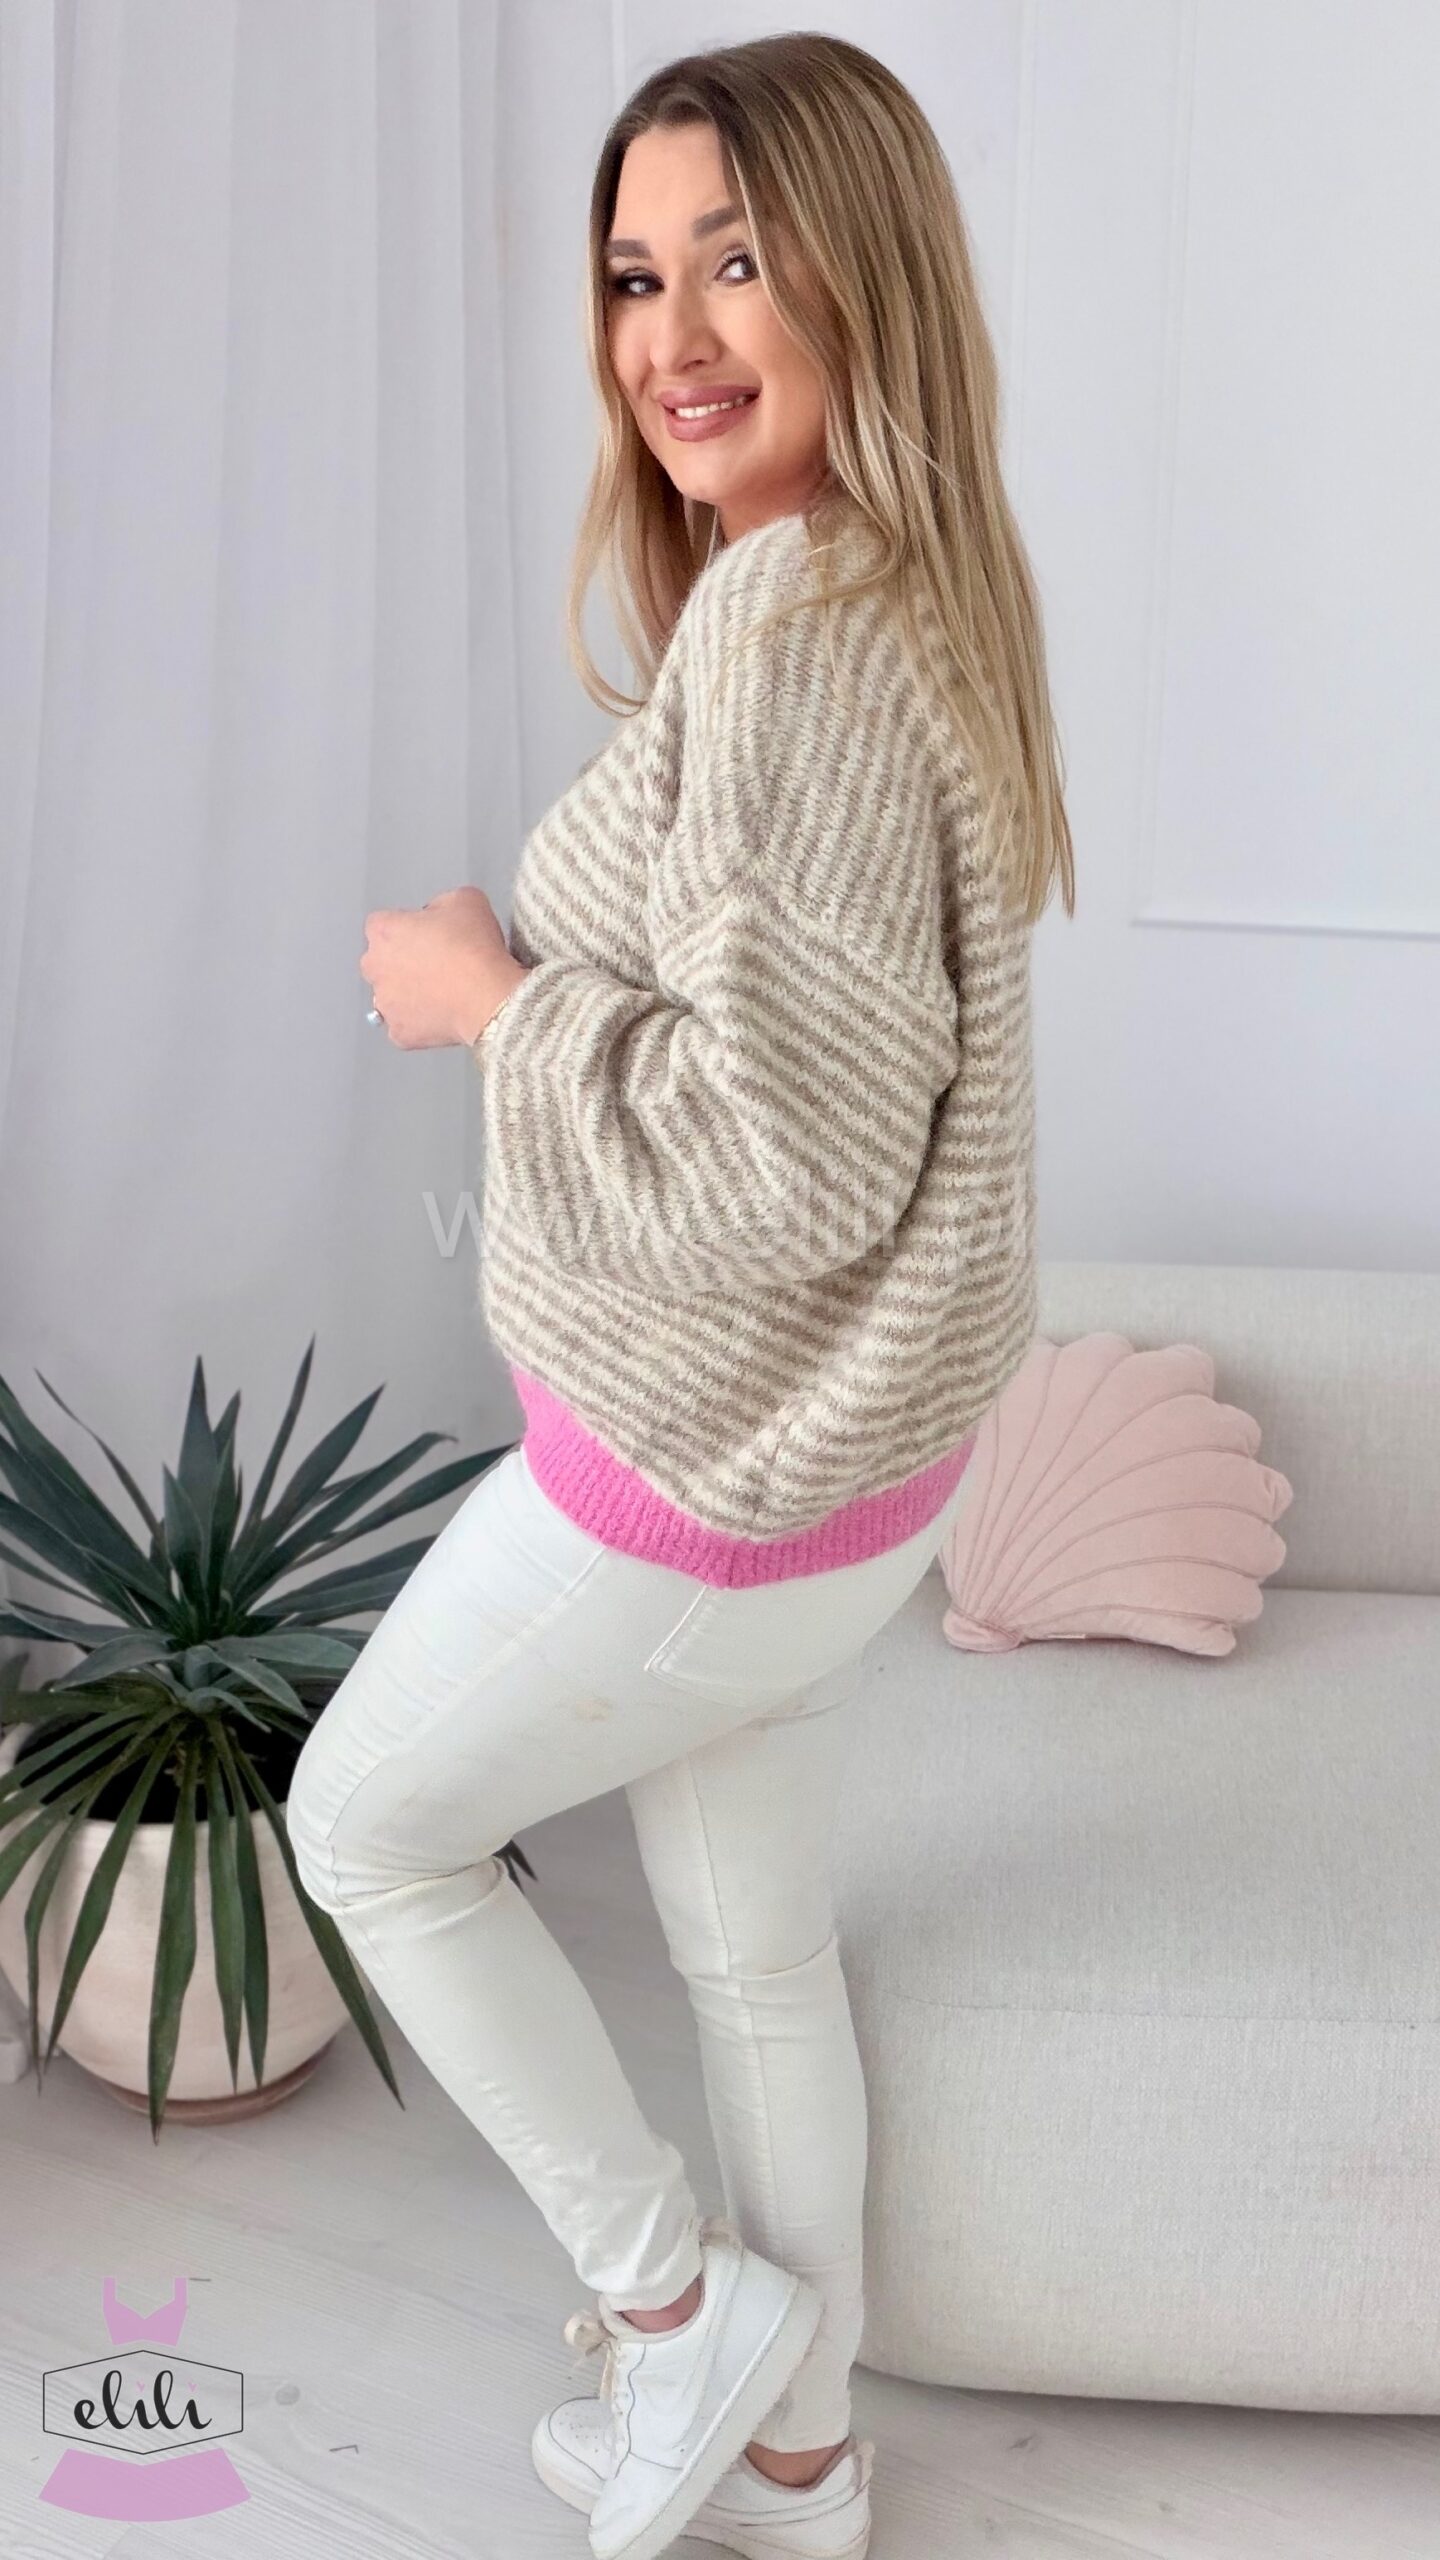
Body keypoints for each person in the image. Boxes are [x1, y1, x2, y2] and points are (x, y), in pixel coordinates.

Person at [286, 32, 1073, 2560]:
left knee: (362, 1827)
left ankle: (671, 2309)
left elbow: (776, 1153)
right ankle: (805, 2467)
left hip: (711, 1475)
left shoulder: (798, 635)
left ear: (869, 276)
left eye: (741, 259)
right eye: (638, 274)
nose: (676, 332)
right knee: (754, 1962)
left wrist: (487, 998)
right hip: (851, 1473)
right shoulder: (905, 588)